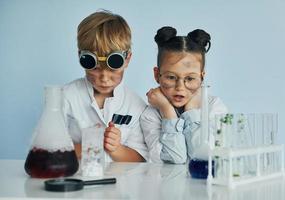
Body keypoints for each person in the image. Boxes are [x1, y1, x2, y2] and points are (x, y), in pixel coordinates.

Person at [63, 10, 147, 162]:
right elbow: (49, 150)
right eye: (94, 66)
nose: (104, 77)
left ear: (127, 59)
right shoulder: (66, 97)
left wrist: (116, 149)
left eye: (113, 66)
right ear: (81, 57)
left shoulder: (137, 106)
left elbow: (141, 160)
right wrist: (89, 144)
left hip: (119, 184)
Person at [140, 26, 228, 164]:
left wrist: (191, 110)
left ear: (202, 77)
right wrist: (167, 111)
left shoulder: (214, 107)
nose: (180, 88)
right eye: (171, 77)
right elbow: (174, 159)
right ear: (157, 75)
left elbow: (206, 157)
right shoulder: (151, 114)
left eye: (190, 79)